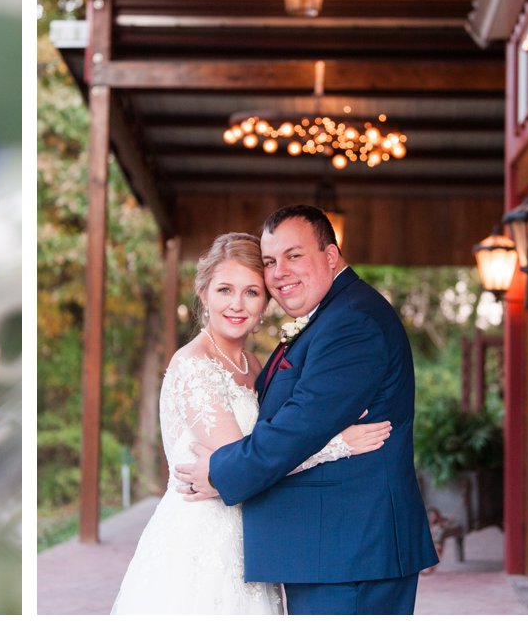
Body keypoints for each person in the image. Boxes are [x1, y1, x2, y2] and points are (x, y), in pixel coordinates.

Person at [174, 206, 439, 614]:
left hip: (350, 554)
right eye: (270, 262)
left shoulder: (351, 322)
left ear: (330, 255)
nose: (280, 272)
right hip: (329, 552)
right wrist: (338, 443)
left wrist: (219, 473)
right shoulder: (330, 316)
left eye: (294, 255)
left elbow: (299, 427)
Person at [111, 232, 391, 614]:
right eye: (225, 290)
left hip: (252, 538)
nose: (237, 305)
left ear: (266, 302)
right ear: (204, 293)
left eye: (252, 292)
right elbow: (240, 461)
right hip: (201, 541)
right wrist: (336, 443)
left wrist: (329, 416)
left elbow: (274, 442)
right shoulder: (193, 365)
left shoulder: (255, 366)